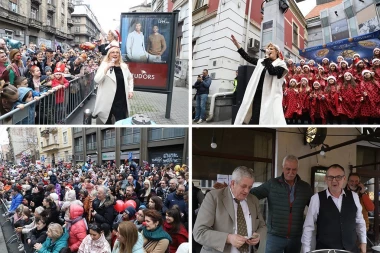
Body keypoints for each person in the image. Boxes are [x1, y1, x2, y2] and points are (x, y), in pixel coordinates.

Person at [193, 166, 267, 253]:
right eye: (243, 186)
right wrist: (228, 238)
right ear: (232, 183)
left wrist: (258, 236)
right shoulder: (213, 197)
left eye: (250, 187)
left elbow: (262, 226)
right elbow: (199, 232)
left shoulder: (253, 200)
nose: (247, 191)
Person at [250, 155, 312, 253]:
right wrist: (231, 190)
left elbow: (316, 206)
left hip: (295, 237)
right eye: (288, 169)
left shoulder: (305, 188)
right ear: (282, 168)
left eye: (294, 170)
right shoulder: (272, 184)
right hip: (275, 236)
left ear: (297, 169)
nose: (291, 173)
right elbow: (252, 194)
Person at [301, 164, 367, 253]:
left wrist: (363, 242)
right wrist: (306, 250)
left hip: (351, 250)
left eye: (338, 177)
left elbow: (360, 222)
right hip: (325, 250)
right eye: (330, 177)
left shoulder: (354, 197)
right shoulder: (316, 198)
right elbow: (308, 227)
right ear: (325, 179)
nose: (334, 180)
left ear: (344, 179)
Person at [230, 35, 288, 125]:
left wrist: (267, 58)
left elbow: (272, 71)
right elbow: (247, 57)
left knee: (273, 118)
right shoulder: (262, 61)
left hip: (272, 96)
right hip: (258, 95)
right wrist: (238, 46)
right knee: (256, 117)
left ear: (277, 52)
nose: (269, 50)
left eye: (271, 49)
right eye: (268, 48)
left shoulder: (281, 64)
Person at [93, 44, 134, 124]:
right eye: (112, 52)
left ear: (119, 55)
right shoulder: (104, 65)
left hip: (121, 99)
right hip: (107, 99)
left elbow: (130, 78)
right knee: (106, 121)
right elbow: (97, 80)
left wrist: (130, 91)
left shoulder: (124, 66)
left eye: (117, 52)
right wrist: (107, 68)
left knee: (121, 121)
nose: (115, 54)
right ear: (109, 54)